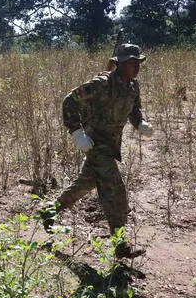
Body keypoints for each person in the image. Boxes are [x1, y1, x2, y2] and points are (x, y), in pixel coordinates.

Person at [43, 43, 154, 259]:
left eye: (138, 62)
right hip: (95, 143)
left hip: (111, 145)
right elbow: (69, 101)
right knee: (116, 190)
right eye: (132, 63)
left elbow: (135, 110)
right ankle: (121, 245)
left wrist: (141, 123)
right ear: (120, 64)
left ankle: (49, 211)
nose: (136, 66)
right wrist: (76, 132)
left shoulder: (132, 87)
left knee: (85, 183)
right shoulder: (101, 84)